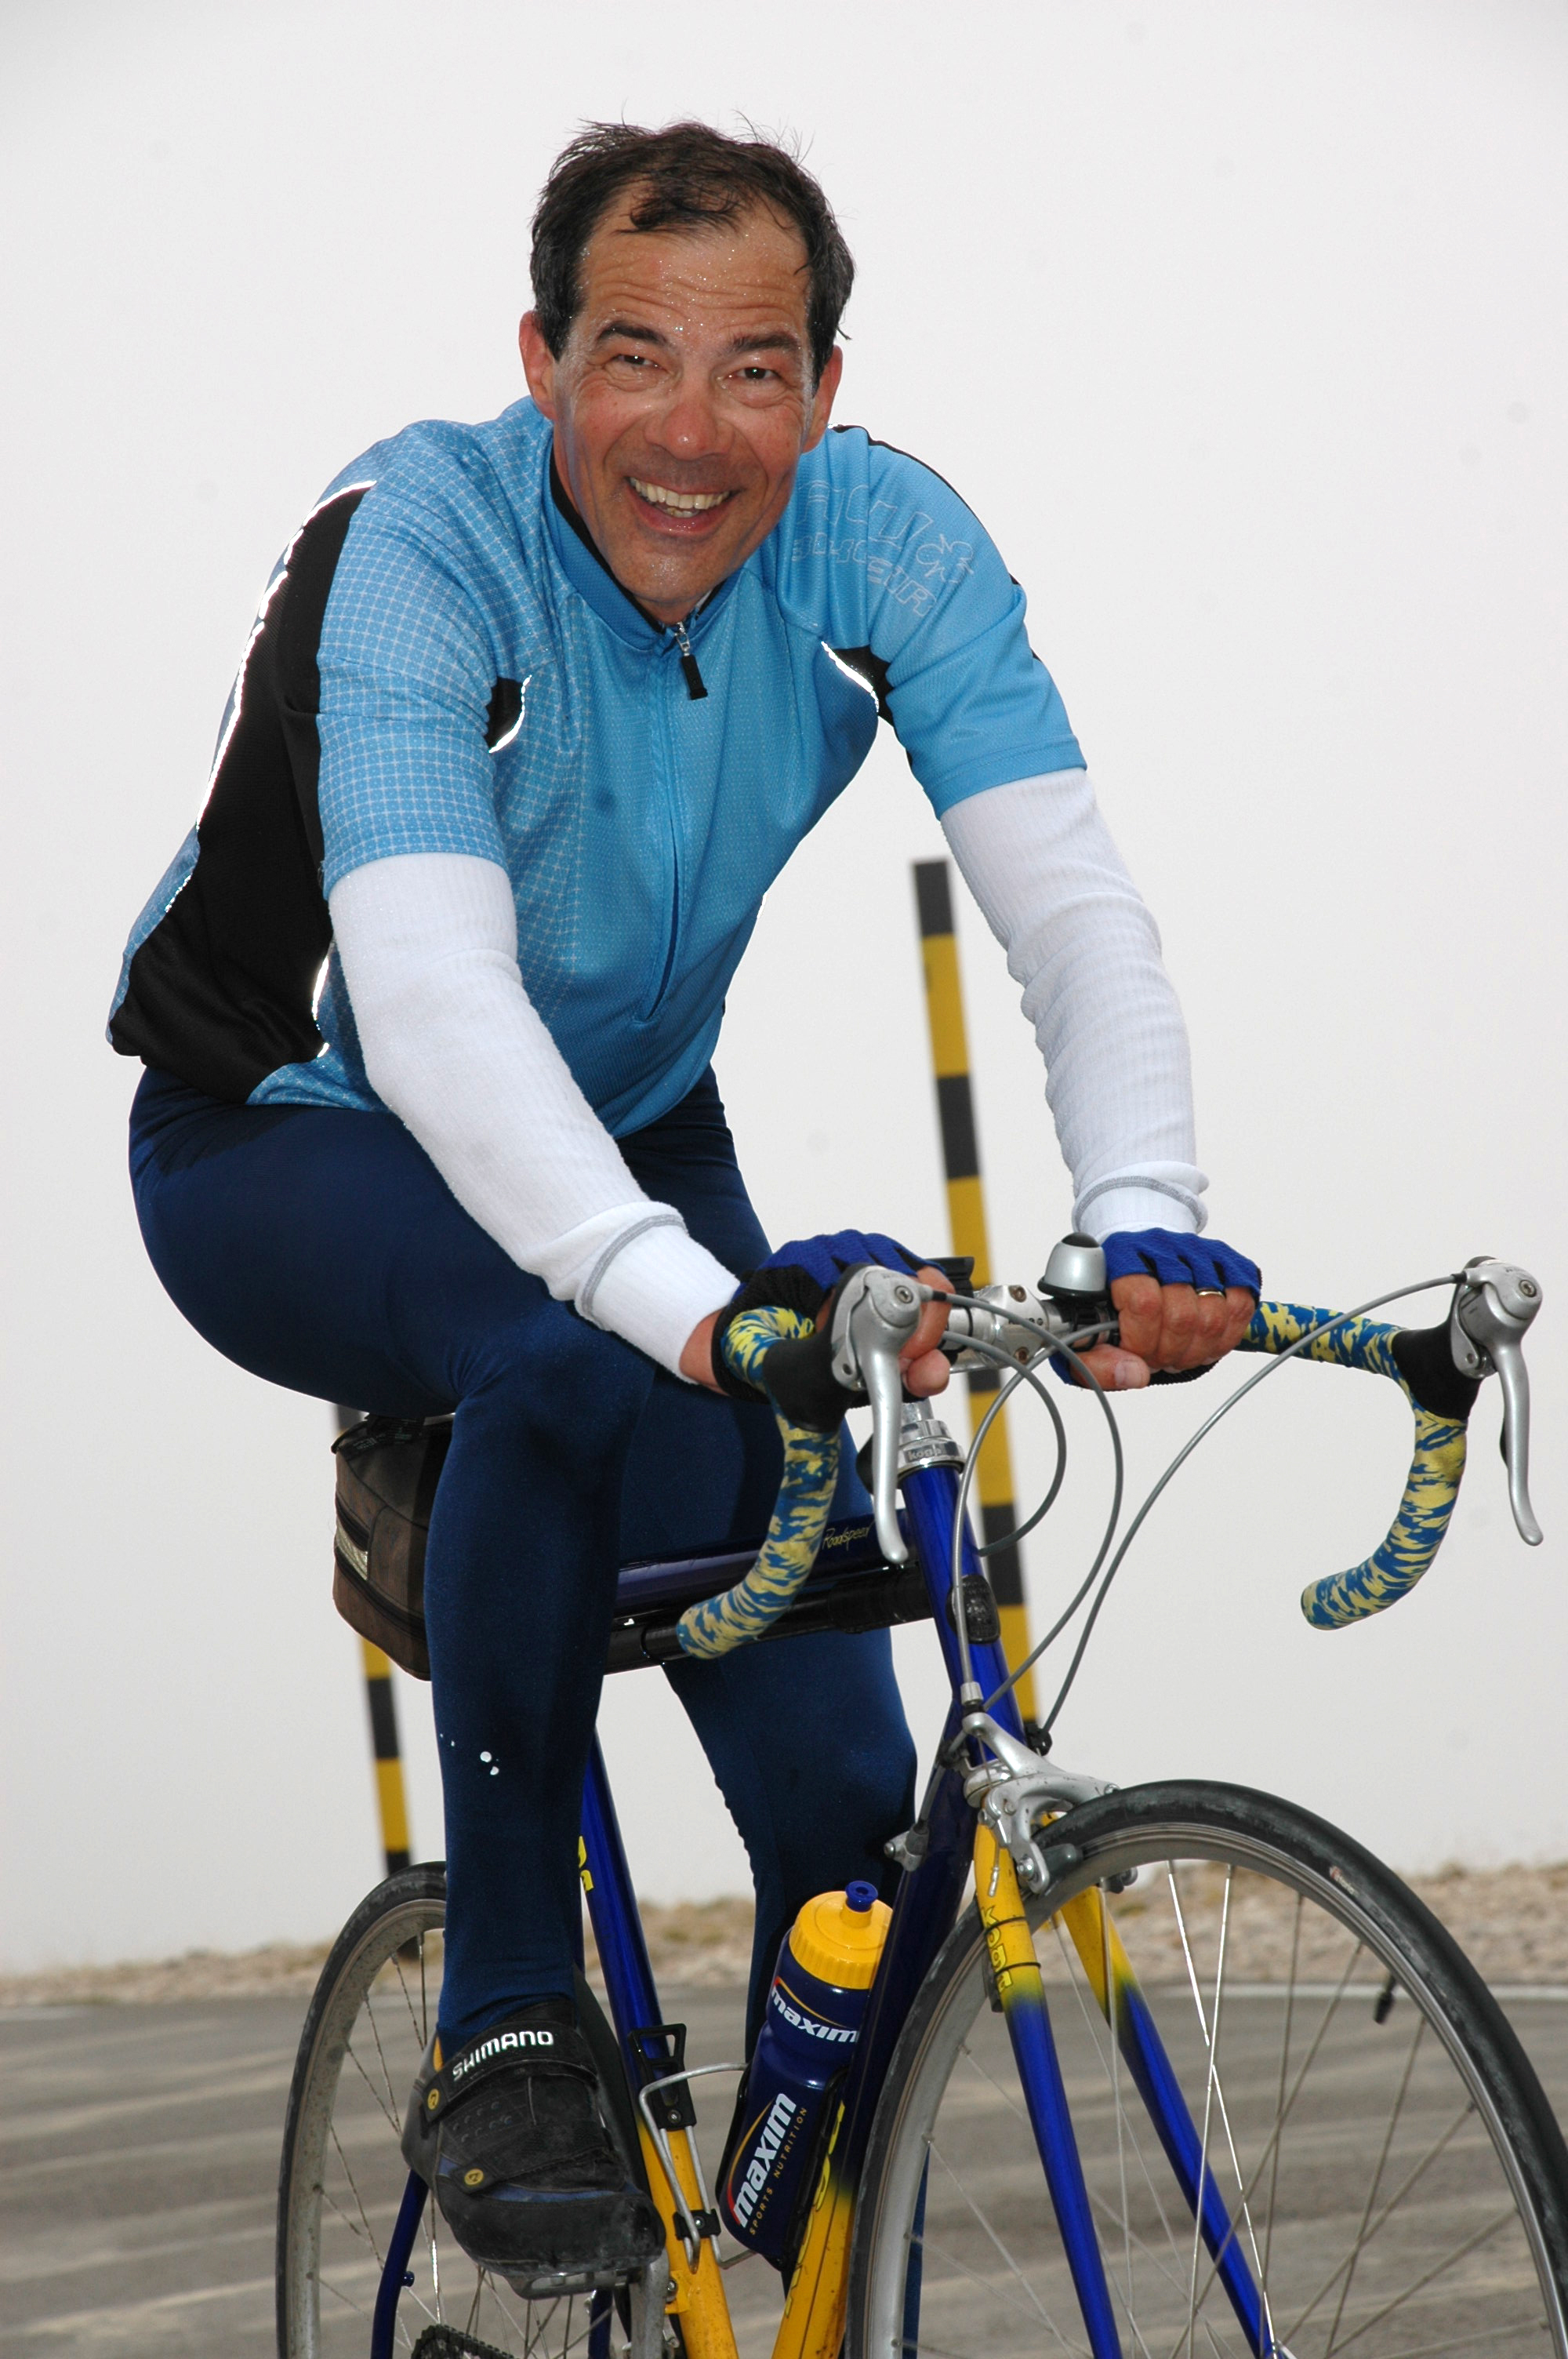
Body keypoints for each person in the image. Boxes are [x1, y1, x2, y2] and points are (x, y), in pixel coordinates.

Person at [108, 122, 1258, 2292]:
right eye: (634, 356)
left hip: (631, 1131)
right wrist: (687, 1307)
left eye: (757, 369)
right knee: (560, 1356)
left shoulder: (887, 541)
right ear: (542, 358)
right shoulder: (416, 540)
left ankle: (782, 2263)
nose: (693, 433)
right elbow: (433, 1005)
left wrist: (1144, 1210)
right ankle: (506, 2015)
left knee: (853, 1856)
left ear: (823, 388)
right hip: (290, 1130)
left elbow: (1077, 918)